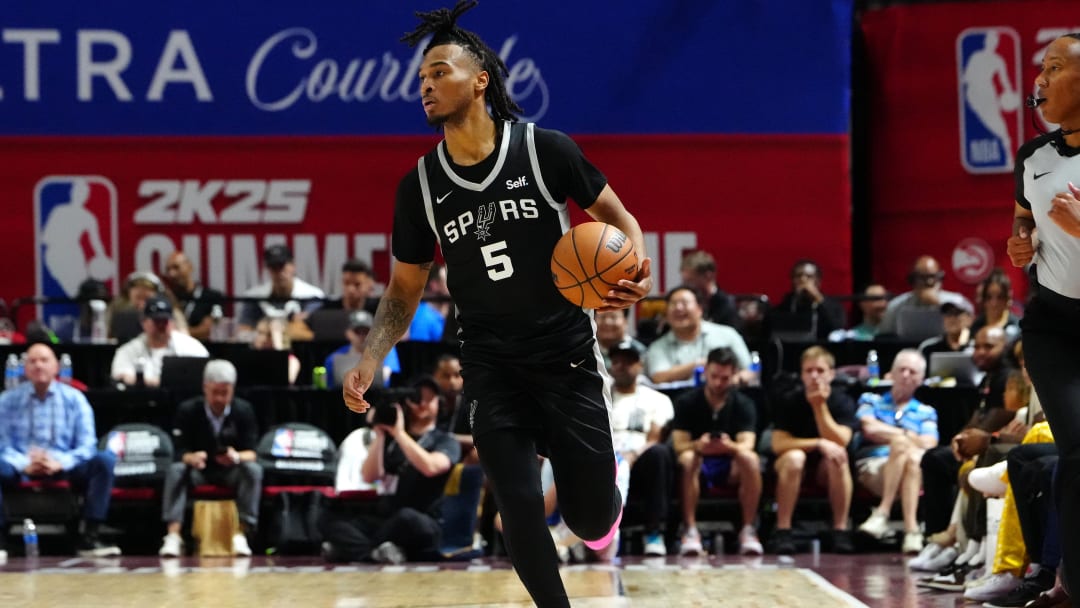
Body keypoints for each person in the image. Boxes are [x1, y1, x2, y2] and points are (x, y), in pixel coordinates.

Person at [341, 3, 652, 605]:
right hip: (490, 360)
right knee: (515, 502)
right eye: (421, 80)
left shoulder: (545, 150)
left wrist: (632, 265)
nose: (426, 86)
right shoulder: (422, 185)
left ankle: (606, 492)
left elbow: (620, 220)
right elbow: (405, 290)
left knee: (589, 522)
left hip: (565, 352)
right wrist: (372, 358)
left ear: (479, 78)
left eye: (439, 72)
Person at [1007, 32, 1080, 600]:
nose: (1039, 80)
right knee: (1076, 447)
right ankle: (1068, 582)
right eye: (1042, 68)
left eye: (1054, 67)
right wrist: (1020, 241)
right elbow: (1021, 223)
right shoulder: (1034, 156)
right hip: (1054, 325)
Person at [323, 376, 462, 564]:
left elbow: (431, 467)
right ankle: (376, 553)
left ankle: (353, 550)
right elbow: (370, 475)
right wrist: (379, 433)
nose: (422, 404)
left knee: (407, 518)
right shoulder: (391, 442)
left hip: (424, 521)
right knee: (333, 523)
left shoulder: (445, 440)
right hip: (388, 518)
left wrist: (399, 433)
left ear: (440, 403)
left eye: (429, 399)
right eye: (417, 398)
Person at [0, 343, 121, 558]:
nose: (38, 366)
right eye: (32, 361)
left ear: (56, 366)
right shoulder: (7, 401)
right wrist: (24, 463)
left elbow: (87, 445)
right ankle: (1, 541)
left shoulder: (75, 399)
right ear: (24, 368)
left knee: (103, 461)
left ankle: (90, 537)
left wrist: (59, 462)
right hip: (18, 464)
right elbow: (3, 444)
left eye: (44, 360)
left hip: (64, 464)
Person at [158, 360, 261, 558]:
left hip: (231, 471)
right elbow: (177, 451)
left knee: (253, 470)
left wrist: (236, 456)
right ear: (205, 388)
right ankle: (173, 536)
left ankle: (242, 533)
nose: (220, 398)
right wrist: (192, 458)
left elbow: (254, 452)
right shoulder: (188, 410)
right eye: (215, 392)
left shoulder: (244, 410)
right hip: (199, 471)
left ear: (233, 389)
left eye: (225, 393)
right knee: (176, 470)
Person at [670, 347, 763, 556]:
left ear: (734, 375)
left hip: (731, 465)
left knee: (750, 459)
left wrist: (728, 446)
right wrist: (698, 445)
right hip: (699, 465)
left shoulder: (744, 404)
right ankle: (690, 530)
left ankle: (748, 529)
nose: (719, 382)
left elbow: (748, 444)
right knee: (687, 458)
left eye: (725, 378)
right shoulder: (686, 402)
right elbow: (679, 445)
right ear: (705, 373)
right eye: (714, 376)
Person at [769, 346, 857, 555]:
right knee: (794, 458)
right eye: (808, 371)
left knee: (838, 457)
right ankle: (783, 530)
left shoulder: (842, 401)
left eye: (820, 370)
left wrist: (819, 407)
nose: (814, 376)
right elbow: (778, 444)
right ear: (801, 374)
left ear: (832, 374)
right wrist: (817, 443)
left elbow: (841, 440)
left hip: (825, 468)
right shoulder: (789, 399)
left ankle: (840, 530)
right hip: (793, 465)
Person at [853, 349, 938, 554]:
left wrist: (892, 435)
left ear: (921, 380)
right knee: (902, 446)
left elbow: (930, 443)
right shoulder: (870, 400)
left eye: (913, 372)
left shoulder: (926, 411)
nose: (906, 375)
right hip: (875, 467)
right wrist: (907, 435)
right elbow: (869, 428)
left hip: (911, 471)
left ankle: (884, 514)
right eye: (902, 370)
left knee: (911, 459)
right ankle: (912, 531)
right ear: (890, 373)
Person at [606, 339, 675, 556]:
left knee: (659, 453)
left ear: (640, 365)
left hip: (640, 457)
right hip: (605, 457)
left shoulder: (657, 399)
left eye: (628, 361)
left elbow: (655, 437)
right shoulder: (600, 398)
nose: (621, 365)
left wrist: (633, 454)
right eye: (616, 361)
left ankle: (653, 533)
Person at [645, 286, 752, 385]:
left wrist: (735, 379)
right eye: (673, 304)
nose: (678, 308)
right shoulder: (658, 347)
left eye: (684, 303)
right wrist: (699, 365)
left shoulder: (727, 335)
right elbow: (658, 377)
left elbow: (750, 369)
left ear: (700, 309)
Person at [110, 295, 209, 387]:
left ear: (172, 323)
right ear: (143, 322)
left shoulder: (190, 346)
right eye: (156, 321)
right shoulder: (129, 350)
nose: (161, 326)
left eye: (165, 321)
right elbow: (122, 377)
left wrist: (149, 381)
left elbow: (205, 375)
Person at [237, 244, 324, 342]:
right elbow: (243, 332)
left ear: (293, 265)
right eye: (274, 267)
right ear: (268, 269)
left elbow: (312, 333)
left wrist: (267, 328)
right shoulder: (254, 297)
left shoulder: (312, 295)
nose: (279, 272)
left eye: (282, 266)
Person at [879, 255, 973, 336]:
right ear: (912, 280)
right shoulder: (895, 306)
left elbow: (968, 333)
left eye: (933, 277)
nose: (929, 282)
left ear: (941, 278)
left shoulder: (958, 302)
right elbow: (884, 338)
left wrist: (939, 303)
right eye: (923, 277)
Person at [771, 259, 846, 340]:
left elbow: (837, 329)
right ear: (792, 280)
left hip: (820, 350)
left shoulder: (833, 306)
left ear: (818, 281)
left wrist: (819, 299)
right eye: (798, 276)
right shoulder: (784, 306)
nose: (803, 280)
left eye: (809, 276)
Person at [324, 310, 400, 388]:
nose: (362, 335)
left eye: (366, 331)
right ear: (348, 333)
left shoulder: (387, 352)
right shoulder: (334, 358)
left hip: (380, 397)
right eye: (357, 331)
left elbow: (384, 377)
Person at [162, 250, 225, 342]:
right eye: (168, 270)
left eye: (176, 267)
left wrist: (175, 333)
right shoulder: (165, 299)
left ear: (189, 267)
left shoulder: (212, 297)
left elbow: (209, 330)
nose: (172, 274)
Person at [679, 250, 739, 328]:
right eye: (684, 281)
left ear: (708, 276)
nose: (686, 286)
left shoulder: (726, 306)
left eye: (690, 281)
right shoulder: (682, 305)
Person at [918, 300, 975, 368]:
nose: (951, 318)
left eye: (957, 313)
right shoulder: (929, 348)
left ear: (970, 318)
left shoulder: (977, 347)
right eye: (948, 314)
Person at [970, 268, 1021, 339]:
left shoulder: (1017, 326)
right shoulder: (976, 326)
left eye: (1000, 297)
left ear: (1007, 298)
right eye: (988, 297)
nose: (994, 303)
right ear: (983, 299)